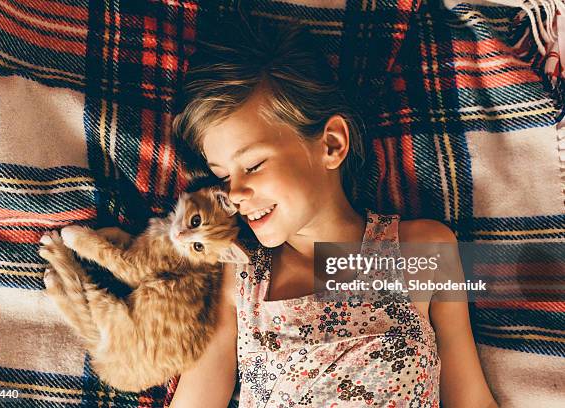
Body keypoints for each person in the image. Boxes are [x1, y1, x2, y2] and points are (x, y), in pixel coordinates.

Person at [169, 19, 498, 408]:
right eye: (222, 176)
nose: (235, 194)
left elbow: (472, 401)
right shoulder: (237, 280)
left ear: (331, 143)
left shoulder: (425, 250)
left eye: (253, 165)